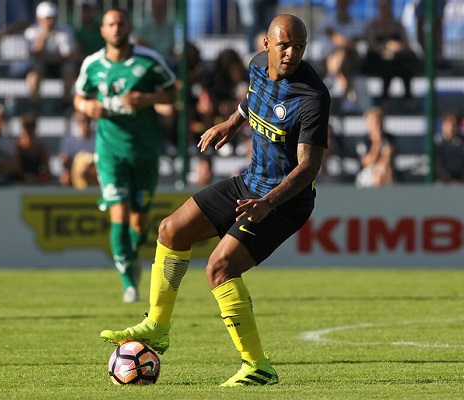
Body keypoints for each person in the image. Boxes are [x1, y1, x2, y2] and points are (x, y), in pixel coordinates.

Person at [100, 14, 330, 386]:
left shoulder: (312, 97)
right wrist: (231, 123)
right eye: (285, 45)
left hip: (284, 201)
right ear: (266, 44)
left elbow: (309, 167)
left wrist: (268, 203)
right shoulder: (258, 65)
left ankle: (257, 366)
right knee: (172, 230)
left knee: (220, 267)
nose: (292, 53)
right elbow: (253, 98)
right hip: (250, 183)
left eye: (299, 46)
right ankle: (157, 327)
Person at [73, 8, 177, 303]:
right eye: (110, 24)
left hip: (144, 151)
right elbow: (79, 97)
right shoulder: (92, 64)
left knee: (140, 223)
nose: (116, 29)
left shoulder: (148, 61)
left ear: (129, 27)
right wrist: (87, 107)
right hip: (109, 150)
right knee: (118, 211)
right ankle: (128, 282)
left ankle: (130, 256)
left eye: (120, 23)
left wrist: (148, 99)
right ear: (102, 30)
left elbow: (172, 93)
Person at [363, 0, 419, 112]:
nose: (385, 10)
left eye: (387, 6)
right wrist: (387, 46)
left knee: (404, 64)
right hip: (377, 61)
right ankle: (385, 100)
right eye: (383, 7)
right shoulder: (372, 26)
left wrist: (397, 47)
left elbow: (406, 44)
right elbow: (372, 46)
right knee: (387, 66)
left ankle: (408, 100)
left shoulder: (398, 26)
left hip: (397, 60)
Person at [23, 1, 78, 111]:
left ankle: (66, 103)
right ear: (39, 19)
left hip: (59, 65)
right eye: (47, 18)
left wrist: (46, 57)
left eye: (53, 18)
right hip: (43, 65)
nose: (51, 21)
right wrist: (42, 36)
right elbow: (34, 54)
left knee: (69, 70)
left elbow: (67, 54)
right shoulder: (31, 31)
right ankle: (34, 105)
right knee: (34, 74)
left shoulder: (64, 30)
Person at [315, 0, 365, 112]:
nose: (342, 3)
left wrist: (342, 42)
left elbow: (355, 43)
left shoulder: (357, 22)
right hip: (333, 60)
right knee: (342, 63)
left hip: (348, 59)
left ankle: (330, 77)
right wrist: (346, 42)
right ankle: (348, 98)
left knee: (343, 55)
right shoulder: (327, 20)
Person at [355, 106, 396, 187]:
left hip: (383, 170)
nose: (378, 126)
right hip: (366, 173)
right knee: (378, 177)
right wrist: (377, 143)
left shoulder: (389, 138)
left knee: (388, 173)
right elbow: (367, 162)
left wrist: (380, 169)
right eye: (375, 123)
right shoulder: (363, 140)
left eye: (379, 122)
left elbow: (388, 159)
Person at [434, 111, 464, 184]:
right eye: (448, 124)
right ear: (442, 125)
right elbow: (437, 166)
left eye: (454, 125)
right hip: (443, 183)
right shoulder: (437, 143)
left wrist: (462, 182)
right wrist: (450, 182)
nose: (451, 127)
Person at [57, 110, 96, 187]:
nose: (85, 123)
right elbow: (64, 158)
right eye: (81, 121)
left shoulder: (97, 137)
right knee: (65, 178)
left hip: (93, 171)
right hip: (74, 171)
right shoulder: (69, 138)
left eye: (87, 120)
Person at [13, 113, 52, 184]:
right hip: (20, 184)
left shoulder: (41, 149)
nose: (29, 130)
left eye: (31, 127)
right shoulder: (17, 148)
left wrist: (41, 178)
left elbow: (47, 171)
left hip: (37, 183)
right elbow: (17, 171)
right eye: (27, 127)